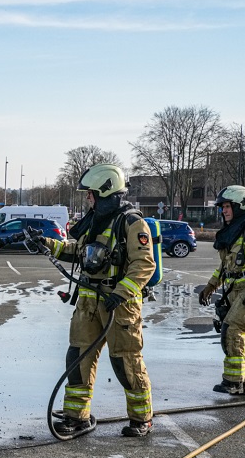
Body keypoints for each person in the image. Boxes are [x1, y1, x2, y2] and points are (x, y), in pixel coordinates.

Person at [13, 163, 156, 438]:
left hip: (119, 305)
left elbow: (144, 264)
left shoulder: (131, 223)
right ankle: (77, 417)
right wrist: (46, 243)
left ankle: (142, 419)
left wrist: (121, 293)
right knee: (77, 358)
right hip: (88, 303)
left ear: (106, 192)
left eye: (91, 193)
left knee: (125, 363)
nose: (88, 198)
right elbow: (77, 251)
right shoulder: (94, 221)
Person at [198, 186, 245, 395]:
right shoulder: (233, 232)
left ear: (241, 206)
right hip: (236, 290)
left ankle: (233, 381)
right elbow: (225, 266)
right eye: (222, 207)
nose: (224, 211)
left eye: (228, 206)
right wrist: (211, 286)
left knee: (232, 329)